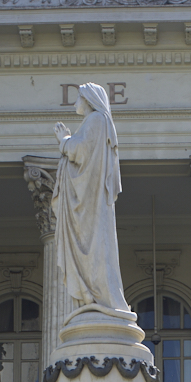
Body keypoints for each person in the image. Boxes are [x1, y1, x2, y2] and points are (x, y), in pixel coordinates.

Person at [51, 84, 130, 314]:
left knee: (93, 250)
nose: (76, 101)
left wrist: (64, 140)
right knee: (91, 250)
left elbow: (82, 151)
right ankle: (92, 297)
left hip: (88, 203)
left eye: (79, 96)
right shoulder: (96, 121)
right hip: (86, 199)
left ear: (88, 99)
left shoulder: (96, 120)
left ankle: (97, 296)